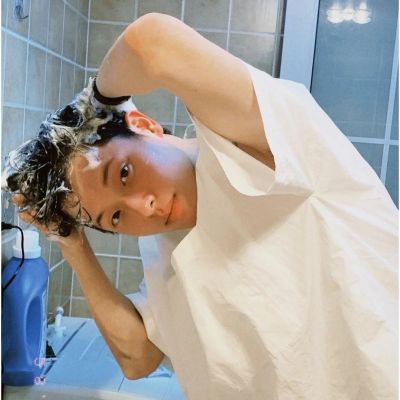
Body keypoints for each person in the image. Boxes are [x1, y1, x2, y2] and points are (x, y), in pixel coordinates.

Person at [2, 12, 398, 399]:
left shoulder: (253, 147)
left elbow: (152, 42)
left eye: (124, 173)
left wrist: (95, 104)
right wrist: (71, 243)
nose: (146, 207)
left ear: (144, 125)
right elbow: (137, 357)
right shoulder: (163, 254)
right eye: (116, 217)